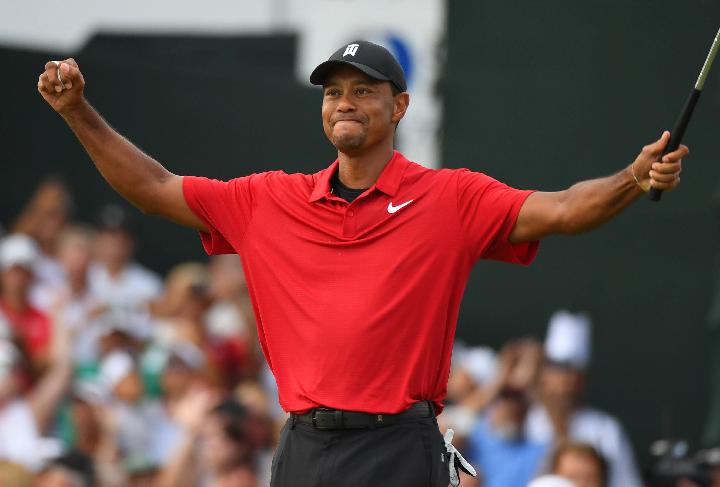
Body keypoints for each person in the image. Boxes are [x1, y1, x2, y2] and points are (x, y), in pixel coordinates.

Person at [37, 39, 687, 487]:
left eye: (363, 91)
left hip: (400, 448)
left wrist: (633, 176)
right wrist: (76, 112)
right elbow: (153, 188)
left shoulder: (451, 197)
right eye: (333, 92)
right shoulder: (271, 199)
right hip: (305, 445)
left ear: (399, 105)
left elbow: (567, 209)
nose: (344, 102)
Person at [525, 311, 642, 487]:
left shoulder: (606, 429)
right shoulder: (526, 422)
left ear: (584, 378)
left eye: (573, 371)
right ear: (543, 374)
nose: (565, 381)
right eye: (558, 369)